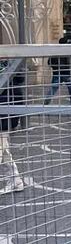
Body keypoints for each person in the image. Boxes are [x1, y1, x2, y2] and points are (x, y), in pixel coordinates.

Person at [0, 57, 25, 195]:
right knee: (3, 150)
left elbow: (20, 80)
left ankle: (15, 180)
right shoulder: (10, 65)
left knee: (2, 148)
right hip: (6, 112)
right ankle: (15, 180)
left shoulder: (10, 65)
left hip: (4, 113)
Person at [44, 30, 71, 103]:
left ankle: (47, 101)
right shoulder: (66, 51)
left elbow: (49, 62)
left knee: (53, 89)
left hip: (57, 73)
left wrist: (55, 67)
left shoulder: (55, 51)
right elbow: (68, 63)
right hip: (66, 73)